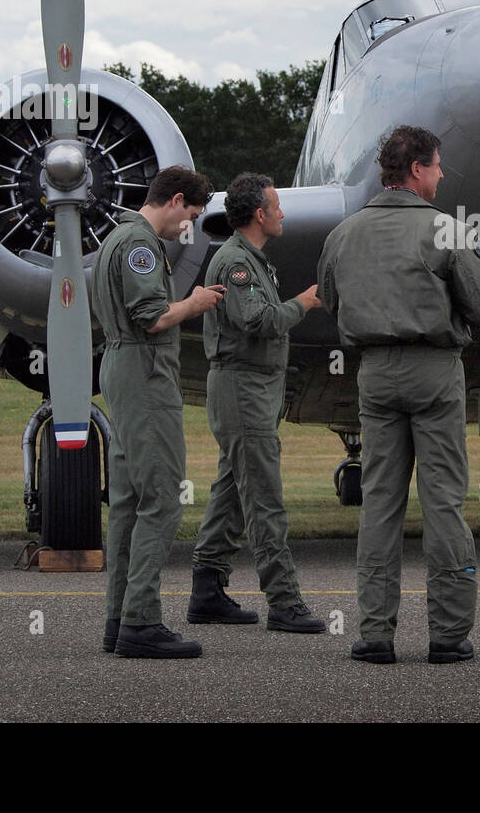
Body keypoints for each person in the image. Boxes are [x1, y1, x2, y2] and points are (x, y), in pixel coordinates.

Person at [317, 126, 480, 664]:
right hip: (434, 370)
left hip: (373, 373)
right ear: (418, 170)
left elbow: (331, 298)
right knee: (443, 500)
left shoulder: (345, 233)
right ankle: (448, 635)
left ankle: (375, 633)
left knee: (379, 501)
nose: (442, 174)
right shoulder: (447, 230)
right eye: (438, 166)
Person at [91, 165, 223, 659]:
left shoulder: (113, 240)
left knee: (127, 501)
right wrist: (196, 302)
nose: (186, 225)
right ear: (175, 200)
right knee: (162, 498)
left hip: (120, 371)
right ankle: (141, 621)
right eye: (189, 214)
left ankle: (119, 617)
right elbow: (153, 318)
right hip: (145, 376)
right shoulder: (142, 246)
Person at [187, 173, 326, 633]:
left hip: (252, 389)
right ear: (260, 214)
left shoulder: (250, 260)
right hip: (242, 389)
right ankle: (284, 602)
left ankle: (207, 589)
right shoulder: (237, 263)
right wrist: (303, 303)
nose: (283, 212)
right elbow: (257, 320)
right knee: (264, 496)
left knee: (232, 490)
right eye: (277, 205)